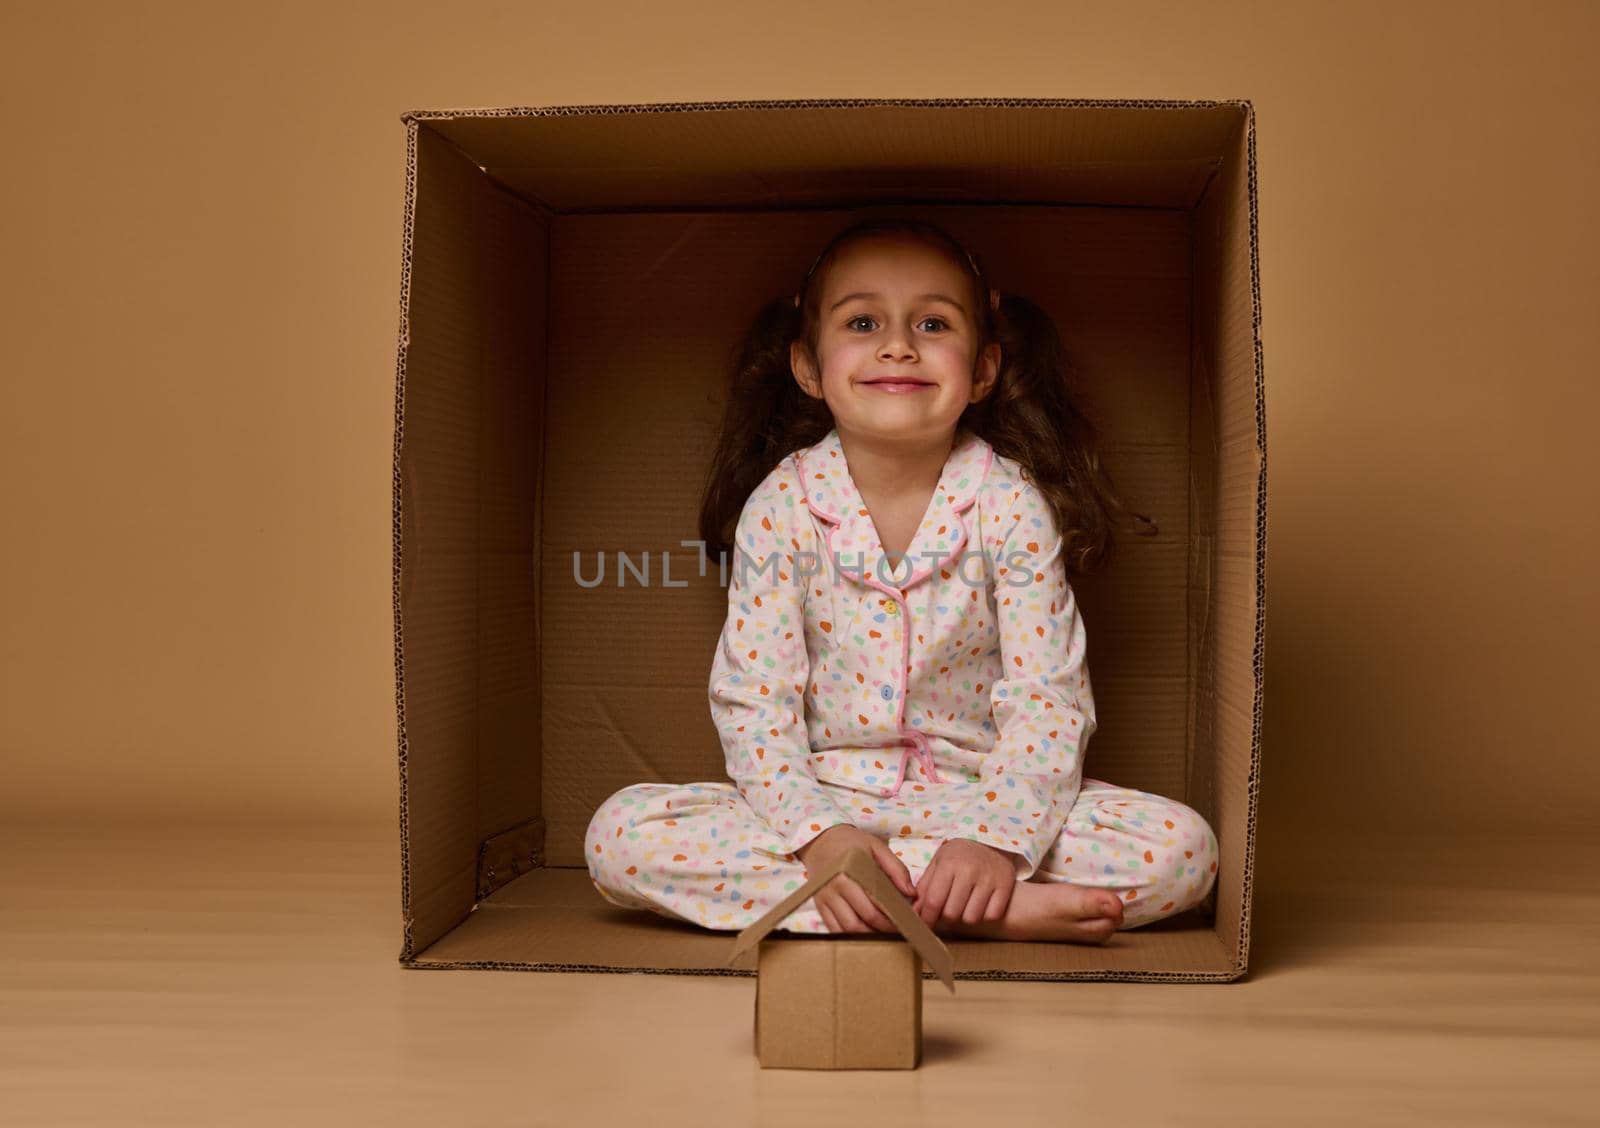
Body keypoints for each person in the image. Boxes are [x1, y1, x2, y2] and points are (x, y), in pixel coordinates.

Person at [585, 216, 1219, 944]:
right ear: (808, 368)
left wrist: (994, 839)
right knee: (619, 837)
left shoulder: (1010, 506)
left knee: (1183, 850)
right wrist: (820, 836)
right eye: (862, 321)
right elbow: (755, 706)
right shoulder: (781, 507)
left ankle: (933, 898)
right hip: (823, 806)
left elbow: (1048, 699)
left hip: (977, 800)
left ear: (982, 369)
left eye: (932, 323)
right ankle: (979, 917)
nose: (898, 345)